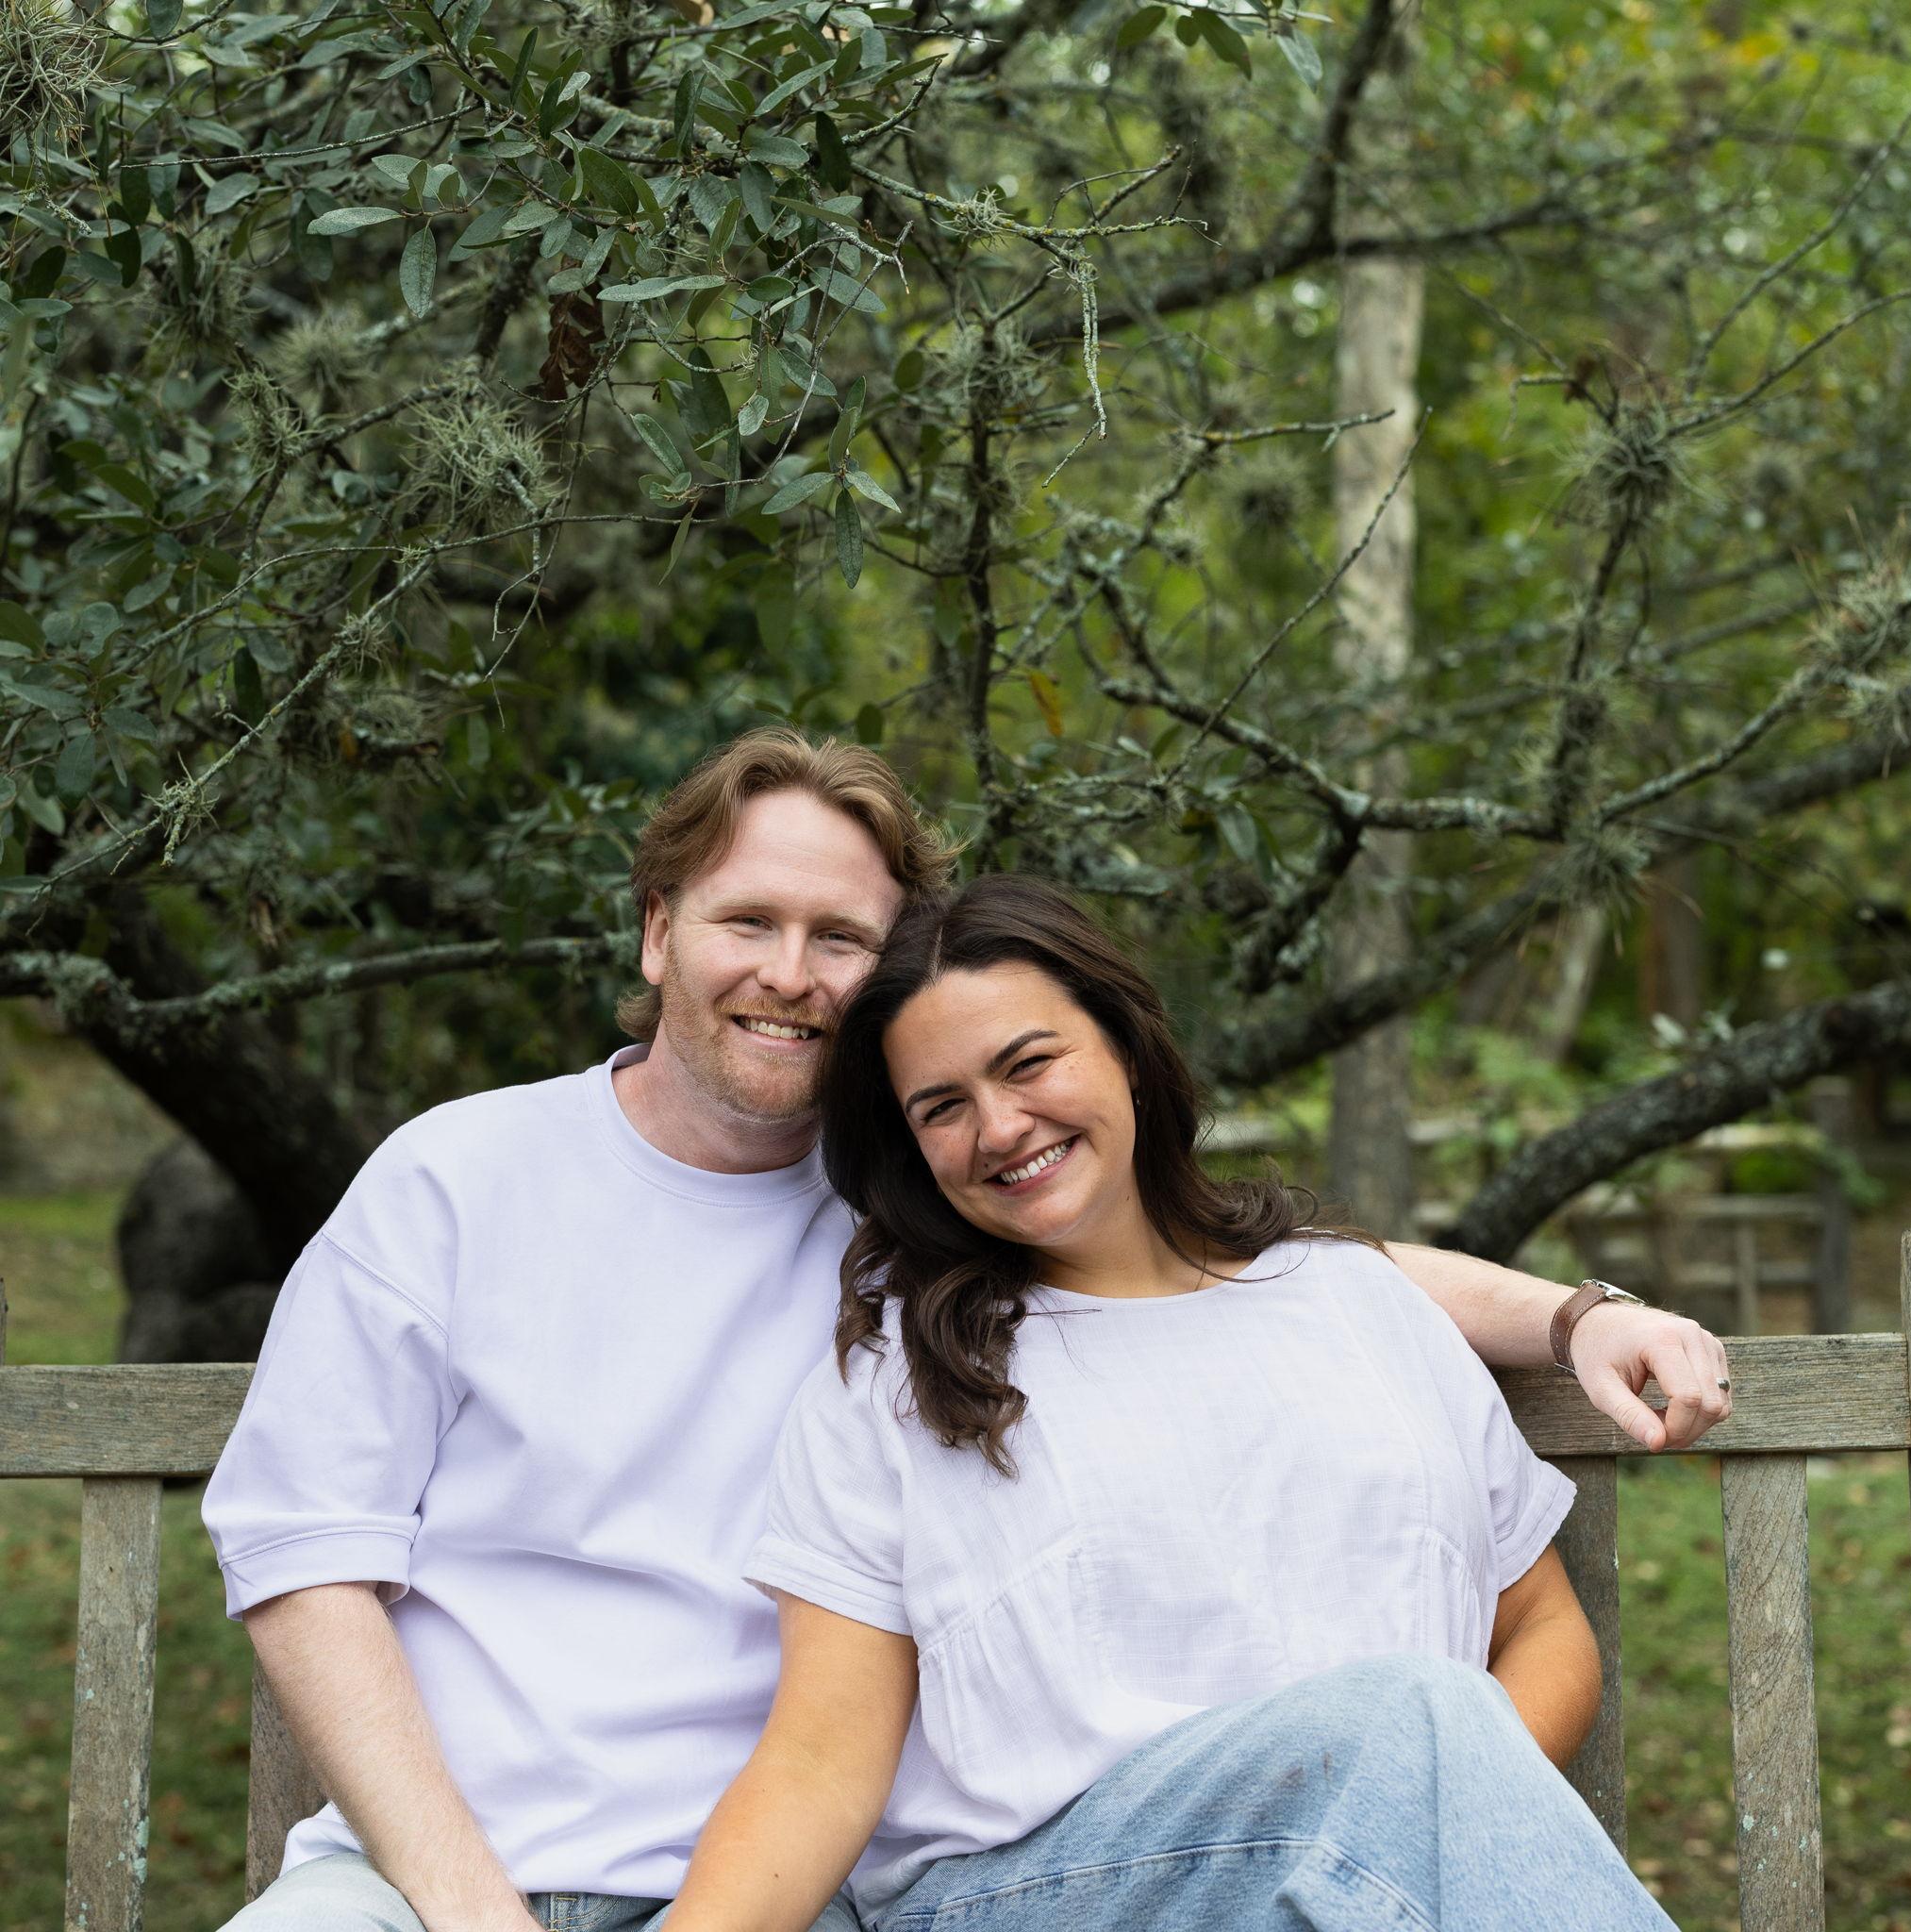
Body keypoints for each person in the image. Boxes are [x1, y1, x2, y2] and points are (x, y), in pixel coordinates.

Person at [203, 728, 1724, 1932]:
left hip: (806, 1890)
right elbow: (301, 1550)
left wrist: (1574, 1313)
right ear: (658, 931)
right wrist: (467, 1907)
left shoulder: (920, 1217)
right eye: (747, 919)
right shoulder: (466, 1180)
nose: (788, 972)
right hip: (440, 1882)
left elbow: (1262, 1274)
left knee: (1398, 1738)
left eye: (839, 938)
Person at [659, 874, 1678, 1932]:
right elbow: (817, 1763)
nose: (999, 1126)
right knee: (1402, 1720)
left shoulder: (1358, 1301)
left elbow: (1541, 1625)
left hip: (1352, 1896)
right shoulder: (894, 1388)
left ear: (1129, 1052)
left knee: (1406, 1729)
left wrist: (1412, 1821)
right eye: (942, 1107)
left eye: (1028, 1063)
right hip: (1035, 1900)